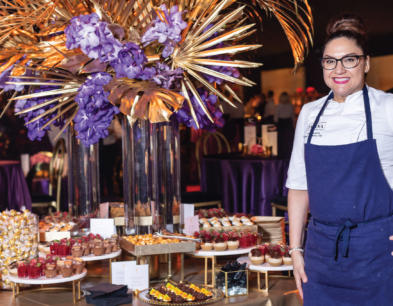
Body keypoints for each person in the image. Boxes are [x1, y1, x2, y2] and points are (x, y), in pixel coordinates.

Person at [286, 13, 393, 305]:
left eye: (350, 59)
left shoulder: (387, 107)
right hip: (321, 255)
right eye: (330, 61)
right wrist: (296, 249)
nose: (338, 69)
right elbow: (298, 186)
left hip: (378, 253)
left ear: (366, 63)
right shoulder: (309, 113)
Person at [274, 92, 295, 158]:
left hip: (281, 123)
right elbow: (293, 116)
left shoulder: (278, 106)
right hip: (288, 123)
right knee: (288, 140)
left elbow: (276, 117)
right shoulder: (291, 105)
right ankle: (288, 155)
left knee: (281, 139)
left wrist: (275, 123)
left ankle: (281, 155)